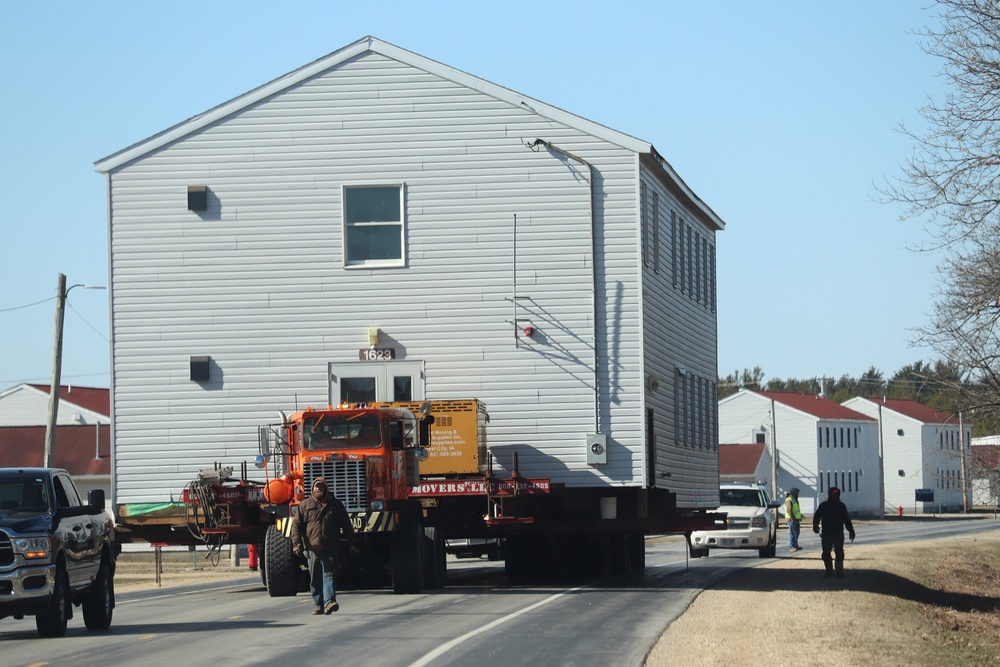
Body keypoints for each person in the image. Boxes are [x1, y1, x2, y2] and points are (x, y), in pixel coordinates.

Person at [290, 477, 356, 615]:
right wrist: (296, 544)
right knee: (315, 579)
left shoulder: (336, 505)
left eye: (321, 487)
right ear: (312, 488)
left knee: (329, 576)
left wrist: (352, 543)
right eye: (316, 487)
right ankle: (318, 604)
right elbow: (296, 526)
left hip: (331, 547)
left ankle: (330, 602)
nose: (318, 489)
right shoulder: (304, 505)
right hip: (312, 549)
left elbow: (347, 525)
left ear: (326, 489)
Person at [812, 486, 855, 578]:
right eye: (834, 494)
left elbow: (846, 519)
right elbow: (817, 516)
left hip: (838, 533)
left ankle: (839, 572)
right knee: (826, 553)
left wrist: (851, 531)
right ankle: (829, 571)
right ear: (830, 495)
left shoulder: (841, 506)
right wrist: (815, 525)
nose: (835, 496)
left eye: (837, 494)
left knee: (839, 553)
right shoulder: (824, 505)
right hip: (826, 533)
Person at [784, 487, 802, 552]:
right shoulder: (789, 500)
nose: (798, 495)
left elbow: (796, 510)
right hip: (791, 520)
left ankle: (795, 545)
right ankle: (792, 546)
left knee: (797, 533)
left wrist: (799, 517)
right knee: (792, 533)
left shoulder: (795, 500)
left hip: (796, 520)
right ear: (794, 493)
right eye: (797, 493)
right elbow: (789, 510)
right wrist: (793, 518)